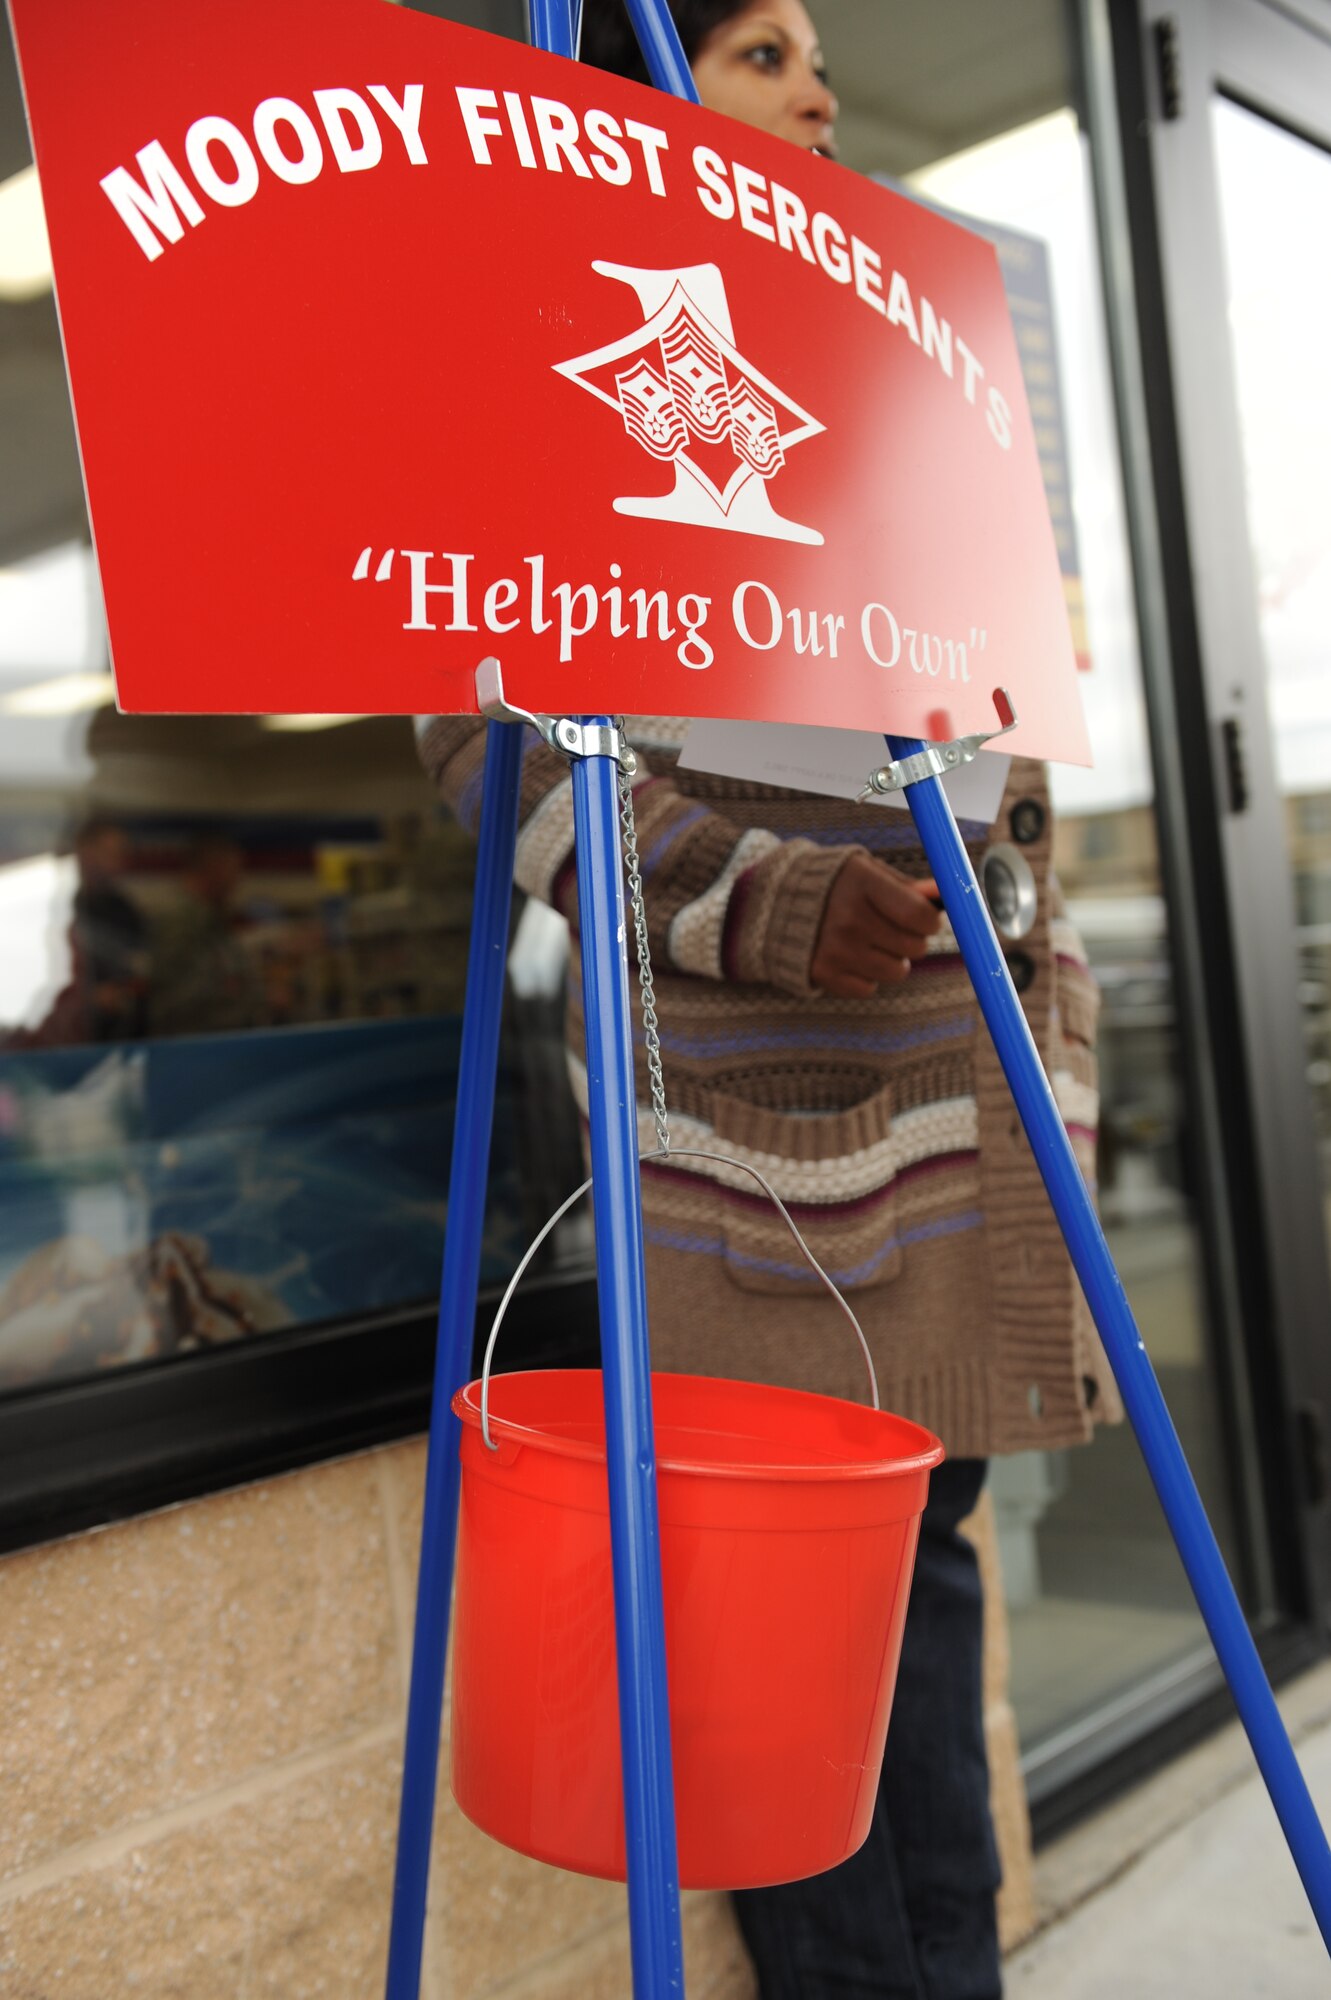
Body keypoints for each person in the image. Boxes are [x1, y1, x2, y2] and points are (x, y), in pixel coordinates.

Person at [420, 4, 1119, 1993]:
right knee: (771, 1651)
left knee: (931, 1587)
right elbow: (496, 764)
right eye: (760, 48)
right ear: (642, 98)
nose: (822, 90)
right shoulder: (543, 383)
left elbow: (997, 728)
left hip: (944, 1119)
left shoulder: (891, 379)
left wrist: (989, 884)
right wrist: (762, 897)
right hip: (751, 1151)